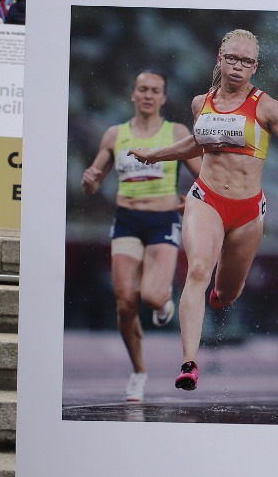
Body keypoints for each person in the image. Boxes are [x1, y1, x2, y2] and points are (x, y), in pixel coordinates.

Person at [128, 29, 278, 391]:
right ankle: (189, 363)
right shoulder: (199, 102)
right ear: (219, 60)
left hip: (248, 211)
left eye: (246, 61)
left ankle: (223, 296)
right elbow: (197, 144)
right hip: (206, 199)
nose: (238, 66)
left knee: (228, 293)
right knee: (198, 269)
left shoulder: (267, 107)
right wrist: (154, 154)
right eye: (231, 58)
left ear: (255, 67)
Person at [81, 70, 197, 401]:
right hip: (127, 220)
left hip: (162, 221)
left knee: (150, 296)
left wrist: (193, 197)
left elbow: (205, 176)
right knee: (125, 302)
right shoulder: (115, 134)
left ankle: (164, 303)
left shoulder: (176, 132)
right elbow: (93, 180)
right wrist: (90, 181)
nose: (147, 95)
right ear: (133, 94)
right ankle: (139, 371)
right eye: (142, 89)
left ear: (162, 97)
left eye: (154, 91)